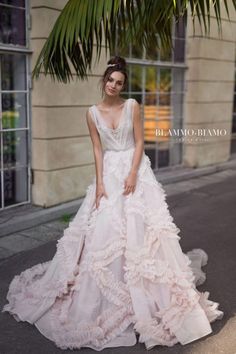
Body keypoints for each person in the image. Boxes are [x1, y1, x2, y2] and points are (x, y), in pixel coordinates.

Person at [2, 56, 223, 351]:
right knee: (104, 230)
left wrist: (132, 173)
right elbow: (97, 148)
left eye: (119, 82)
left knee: (142, 229)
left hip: (134, 169)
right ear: (104, 80)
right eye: (110, 80)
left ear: (123, 85)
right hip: (108, 172)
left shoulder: (132, 106)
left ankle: (148, 291)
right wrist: (101, 183)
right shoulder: (91, 113)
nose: (114, 85)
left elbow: (140, 142)